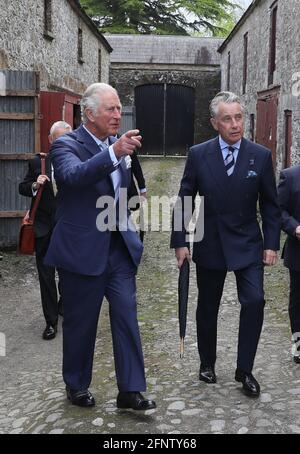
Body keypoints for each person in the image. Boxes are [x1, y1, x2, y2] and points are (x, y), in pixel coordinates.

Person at [44, 83, 156, 410]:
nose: (118, 114)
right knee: (81, 323)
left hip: (118, 249)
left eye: (119, 108)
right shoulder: (66, 145)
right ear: (89, 113)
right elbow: (73, 176)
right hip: (81, 252)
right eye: (111, 109)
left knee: (126, 317)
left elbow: (123, 192)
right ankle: (76, 384)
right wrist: (114, 153)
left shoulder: (117, 146)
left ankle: (130, 391)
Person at [171, 91, 280, 397]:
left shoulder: (260, 156)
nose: (235, 124)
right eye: (227, 119)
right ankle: (207, 363)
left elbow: (271, 205)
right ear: (214, 123)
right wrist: (180, 241)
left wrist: (271, 244)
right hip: (211, 242)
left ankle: (245, 369)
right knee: (207, 307)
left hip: (248, 243)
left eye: (239, 117)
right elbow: (185, 198)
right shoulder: (199, 154)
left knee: (255, 301)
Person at [19, 121, 72, 340]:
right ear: (50, 140)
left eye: (65, 140)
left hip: (68, 228)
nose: (61, 143)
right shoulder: (38, 162)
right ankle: (50, 322)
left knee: (69, 273)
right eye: (57, 139)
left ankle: (63, 305)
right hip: (43, 228)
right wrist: (34, 185)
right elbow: (22, 187)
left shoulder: (76, 161)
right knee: (46, 275)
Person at [278, 165, 300, 364]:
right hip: (299, 251)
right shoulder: (290, 176)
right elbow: (278, 210)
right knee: (298, 302)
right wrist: (295, 228)